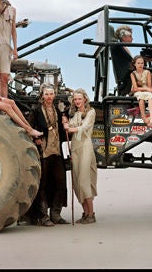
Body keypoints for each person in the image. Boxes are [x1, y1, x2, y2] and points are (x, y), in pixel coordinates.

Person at [27, 83, 69, 226]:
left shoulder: (58, 110)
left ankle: (56, 214)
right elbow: (29, 128)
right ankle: (43, 216)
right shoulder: (36, 110)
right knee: (42, 184)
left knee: (61, 182)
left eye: (51, 94)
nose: (49, 97)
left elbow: (63, 132)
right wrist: (35, 139)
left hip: (56, 151)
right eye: (46, 94)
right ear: (42, 95)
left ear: (54, 95)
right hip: (43, 152)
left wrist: (65, 124)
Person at [62, 88, 98, 224]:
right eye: (75, 99)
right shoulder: (76, 114)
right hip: (75, 148)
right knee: (77, 183)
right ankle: (86, 213)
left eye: (79, 99)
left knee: (84, 181)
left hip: (85, 148)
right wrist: (66, 122)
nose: (77, 101)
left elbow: (84, 127)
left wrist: (70, 128)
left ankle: (91, 214)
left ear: (85, 99)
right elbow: (70, 125)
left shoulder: (91, 112)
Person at [130, 55, 152, 128]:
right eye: (138, 63)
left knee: (150, 96)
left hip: (145, 90)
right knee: (141, 97)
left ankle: (151, 118)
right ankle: (144, 117)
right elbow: (135, 88)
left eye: (142, 63)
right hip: (138, 91)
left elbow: (150, 87)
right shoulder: (133, 74)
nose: (140, 65)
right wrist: (146, 89)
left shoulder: (147, 72)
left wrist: (147, 89)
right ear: (134, 64)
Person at [110, 25, 134, 95]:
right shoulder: (118, 46)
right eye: (130, 36)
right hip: (127, 78)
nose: (132, 39)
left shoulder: (121, 47)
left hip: (128, 77)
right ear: (123, 36)